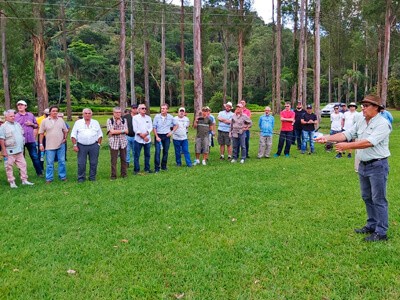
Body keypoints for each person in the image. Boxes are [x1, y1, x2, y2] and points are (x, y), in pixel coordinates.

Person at [315, 94, 391, 242]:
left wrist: (347, 146)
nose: (363, 108)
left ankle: (381, 232)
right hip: (363, 165)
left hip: (378, 166)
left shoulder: (383, 123)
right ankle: (372, 224)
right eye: (362, 105)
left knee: (378, 199)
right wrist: (326, 137)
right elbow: (347, 134)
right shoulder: (362, 121)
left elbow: (370, 142)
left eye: (367, 105)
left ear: (376, 108)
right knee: (367, 197)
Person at [0, 109, 34, 188]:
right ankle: (12, 182)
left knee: (23, 165)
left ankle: (24, 180)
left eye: (13, 116)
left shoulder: (17, 124)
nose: (13, 117)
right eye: (11, 116)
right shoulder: (3, 127)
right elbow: (1, 139)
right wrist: (4, 151)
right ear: (6, 117)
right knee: (9, 167)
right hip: (9, 151)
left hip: (19, 150)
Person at [70, 108, 103, 182]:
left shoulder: (95, 122)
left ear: (91, 114)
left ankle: (92, 177)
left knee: (94, 162)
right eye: (85, 113)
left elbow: (100, 134)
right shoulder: (78, 123)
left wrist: (98, 145)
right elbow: (73, 135)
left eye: (89, 113)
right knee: (81, 163)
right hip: (81, 146)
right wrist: (75, 145)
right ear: (83, 114)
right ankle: (81, 178)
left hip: (94, 145)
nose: (87, 115)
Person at [38, 106, 68, 183]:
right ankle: (49, 178)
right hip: (49, 145)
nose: (55, 112)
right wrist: (41, 144)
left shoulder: (61, 120)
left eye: (56, 111)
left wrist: (65, 138)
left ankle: (62, 176)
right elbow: (41, 133)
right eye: (53, 111)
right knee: (49, 163)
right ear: (50, 112)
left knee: (62, 161)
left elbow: (65, 130)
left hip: (61, 145)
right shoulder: (44, 121)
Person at [15, 100, 43, 177]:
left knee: (34, 156)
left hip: (30, 140)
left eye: (22, 105)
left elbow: (36, 126)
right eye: (18, 105)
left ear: (25, 106)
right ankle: (22, 174)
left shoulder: (30, 115)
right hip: (20, 140)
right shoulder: (15, 116)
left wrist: (31, 124)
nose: (20, 106)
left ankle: (39, 173)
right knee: (20, 158)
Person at [107, 107, 128, 180]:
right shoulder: (110, 120)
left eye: (119, 112)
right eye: (116, 112)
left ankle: (124, 174)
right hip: (113, 143)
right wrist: (122, 131)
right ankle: (113, 175)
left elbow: (127, 131)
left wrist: (115, 131)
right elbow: (111, 132)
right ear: (113, 113)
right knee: (114, 160)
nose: (118, 114)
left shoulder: (124, 120)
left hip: (123, 142)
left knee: (124, 159)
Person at [153, 104, 174, 172]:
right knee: (157, 152)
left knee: (165, 152)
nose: (162, 109)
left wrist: (171, 132)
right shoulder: (157, 117)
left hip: (166, 136)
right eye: (161, 108)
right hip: (158, 135)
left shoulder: (171, 117)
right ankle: (157, 168)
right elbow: (154, 127)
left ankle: (164, 166)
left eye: (164, 108)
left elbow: (176, 125)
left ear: (167, 110)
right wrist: (156, 136)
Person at [132, 104, 153, 174]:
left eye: (145, 108)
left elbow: (150, 127)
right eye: (142, 108)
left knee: (147, 155)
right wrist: (143, 136)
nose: (144, 110)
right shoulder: (135, 118)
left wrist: (146, 133)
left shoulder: (148, 118)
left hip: (147, 139)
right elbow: (135, 129)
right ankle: (136, 170)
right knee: (136, 155)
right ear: (138, 110)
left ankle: (147, 168)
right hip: (138, 140)